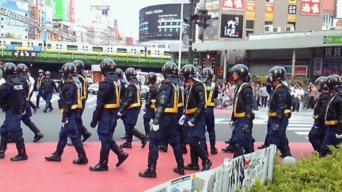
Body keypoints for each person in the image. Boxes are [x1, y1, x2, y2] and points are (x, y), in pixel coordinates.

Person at [139, 62, 184, 178]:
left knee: (153, 142)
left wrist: (156, 121)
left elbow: (162, 103)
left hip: (165, 118)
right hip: (174, 118)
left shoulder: (166, 85)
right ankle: (181, 166)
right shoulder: (179, 85)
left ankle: (151, 169)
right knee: (175, 143)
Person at [89, 59, 129, 171]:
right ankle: (120, 154)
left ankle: (103, 163)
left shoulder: (105, 83)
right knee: (107, 136)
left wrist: (94, 120)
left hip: (106, 114)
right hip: (114, 113)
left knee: (104, 138)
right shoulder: (118, 82)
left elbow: (100, 104)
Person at [45, 63, 88, 164]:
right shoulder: (76, 83)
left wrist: (64, 117)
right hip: (74, 112)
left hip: (70, 114)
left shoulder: (68, 85)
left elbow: (67, 102)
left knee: (74, 136)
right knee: (63, 135)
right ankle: (57, 154)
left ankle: (82, 157)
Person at [179, 64, 212, 172]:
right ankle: (194, 163)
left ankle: (206, 160)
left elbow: (202, 104)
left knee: (194, 140)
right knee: (190, 140)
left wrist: (194, 119)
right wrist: (185, 115)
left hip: (197, 117)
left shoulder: (198, 86)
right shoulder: (191, 86)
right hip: (190, 115)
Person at [0, 62, 28, 161]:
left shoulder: (6, 85)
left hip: (11, 111)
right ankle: (2, 150)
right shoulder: (21, 83)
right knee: (3, 130)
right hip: (18, 110)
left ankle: (22, 154)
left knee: (16, 133)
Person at [228, 65, 254, 158]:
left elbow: (249, 107)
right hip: (238, 119)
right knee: (246, 142)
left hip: (243, 119)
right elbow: (236, 105)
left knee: (238, 142)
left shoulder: (246, 88)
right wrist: (233, 119)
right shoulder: (239, 87)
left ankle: (238, 162)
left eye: (235, 73)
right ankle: (248, 160)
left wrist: (247, 123)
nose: (233, 75)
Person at [118, 67, 148, 149]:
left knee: (129, 126)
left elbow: (129, 100)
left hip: (133, 108)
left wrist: (121, 110)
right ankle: (128, 142)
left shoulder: (131, 86)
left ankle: (143, 137)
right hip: (135, 107)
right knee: (128, 125)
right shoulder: (137, 84)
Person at [267, 66, 292, 158]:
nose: (269, 78)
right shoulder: (277, 88)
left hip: (278, 118)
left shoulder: (281, 90)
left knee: (273, 140)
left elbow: (281, 107)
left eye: (271, 76)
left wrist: (277, 122)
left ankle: (270, 163)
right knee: (281, 140)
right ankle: (288, 158)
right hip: (276, 117)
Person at [17, 63, 44, 142]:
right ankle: (37, 132)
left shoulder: (21, 80)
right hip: (26, 103)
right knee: (26, 120)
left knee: (14, 120)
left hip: (22, 104)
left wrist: (21, 107)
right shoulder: (28, 79)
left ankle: (12, 136)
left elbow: (21, 95)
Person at [68, 60, 92, 145]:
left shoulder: (78, 78)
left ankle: (77, 138)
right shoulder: (83, 77)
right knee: (77, 119)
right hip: (82, 100)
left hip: (79, 100)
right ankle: (85, 133)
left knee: (75, 119)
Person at [321, 74, 342, 156]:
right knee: (325, 147)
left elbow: (341, 115)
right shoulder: (334, 96)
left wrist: (339, 131)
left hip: (336, 127)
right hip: (330, 127)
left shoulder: (339, 98)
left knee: (337, 149)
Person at [308, 76, 330, 154]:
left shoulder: (325, 96)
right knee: (321, 138)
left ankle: (321, 152)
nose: (316, 86)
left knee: (312, 136)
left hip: (321, 122)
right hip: (321, 122)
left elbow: (323, 110)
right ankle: (322, 153)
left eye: (318, 84)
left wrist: (318, 122)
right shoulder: (322, 95)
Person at [201, 67, 219, 155]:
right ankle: (213, 148)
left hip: (202, 109)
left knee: (202, 130)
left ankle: (204, 149)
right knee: (211, 129)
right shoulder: (214, 85)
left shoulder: (200, 85)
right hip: (210, 109)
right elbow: (215, 96)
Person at [143, 72, 158, 137]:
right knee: (156, 121)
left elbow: (149, 98)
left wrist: (146, 107)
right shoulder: (157, 87)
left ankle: (148, 134)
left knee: (146, 119)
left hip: (151, 108)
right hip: (156, 108)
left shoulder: (150, 88)